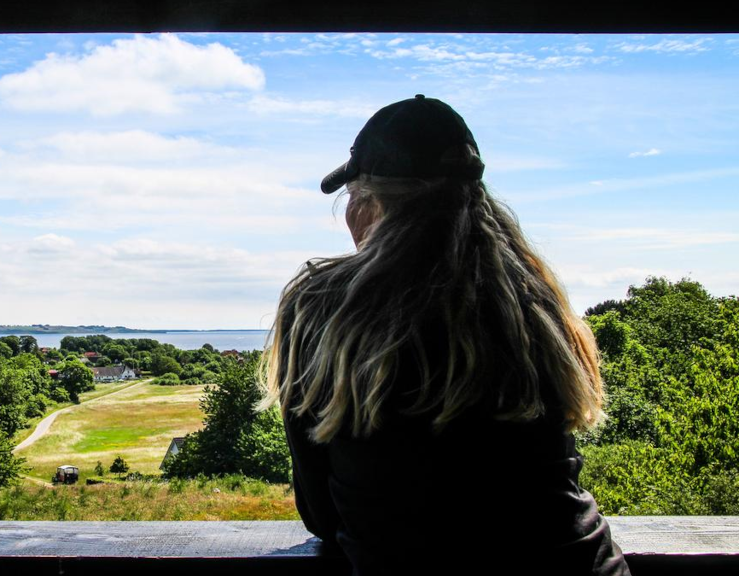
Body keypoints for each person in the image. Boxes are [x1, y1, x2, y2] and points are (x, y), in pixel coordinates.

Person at [258, 95, 632, 575]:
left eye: (351, 198)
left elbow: (324, 514)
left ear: (372, 202)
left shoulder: (324, 304)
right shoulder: (531, 298)